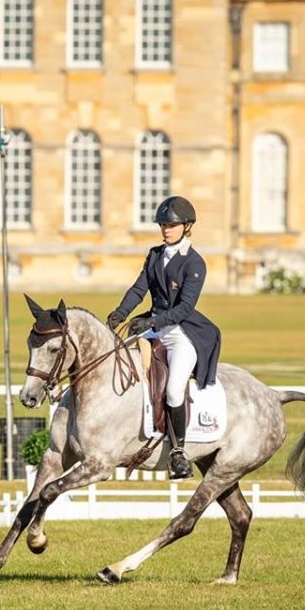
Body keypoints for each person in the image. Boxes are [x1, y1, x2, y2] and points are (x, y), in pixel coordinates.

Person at [107, 196, 221, 479]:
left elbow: (184, 308)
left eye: (171, 225)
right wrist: (120, 314)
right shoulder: (155, 254)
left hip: (181, 332)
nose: (165, 230)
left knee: (172, 390)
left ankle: (178, 452)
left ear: (186, 226)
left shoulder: (194, 262)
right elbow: (138, 288)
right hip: (154, 326)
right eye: (163, 225)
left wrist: (153, 320)